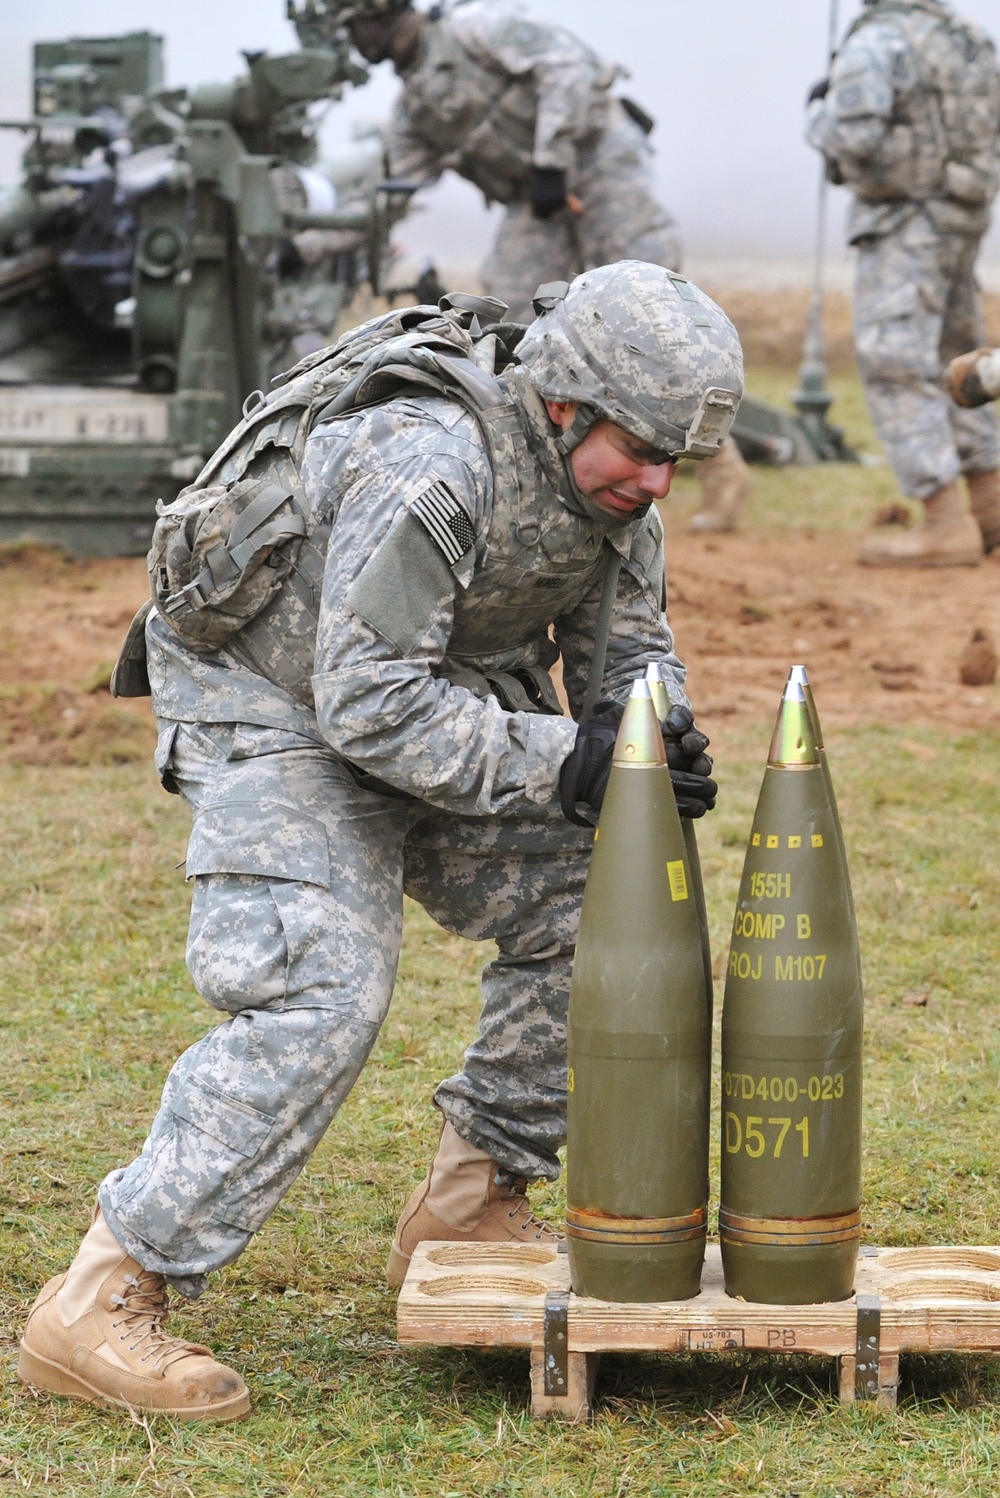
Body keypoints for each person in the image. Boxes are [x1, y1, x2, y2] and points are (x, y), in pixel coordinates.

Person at [18, 259, 742, 1420]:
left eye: (676, 462)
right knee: (324, 983)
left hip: (431, 690)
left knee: (608, 897)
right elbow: (365, 709)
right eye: (640, 450)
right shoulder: (432, 462)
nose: (656, 482)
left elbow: (630, 644)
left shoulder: (613, 489)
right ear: (566, 403)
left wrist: (650, 734)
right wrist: (562, 759)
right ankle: (100, 1295)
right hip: (276, 706)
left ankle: (467, 1203)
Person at [290, 0, 751, 533]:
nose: (350, 40)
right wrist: (302, 248)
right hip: (536, 201)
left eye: (352, 25)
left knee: (657, 328)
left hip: (599, 164)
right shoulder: (413, 112)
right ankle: (529, 480)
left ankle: (723, 476)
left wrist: (551, 160)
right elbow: (387, 201)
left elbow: (567, 67)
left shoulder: (478, 31)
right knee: (510, 319)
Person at [807, 0, 1000, 566]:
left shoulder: (880, 40)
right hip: (964, 214)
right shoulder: (966, 38)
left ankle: (943, 520)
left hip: (903, 219)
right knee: (960, 355)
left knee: (894, 357)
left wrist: (818, 110)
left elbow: (849, 138)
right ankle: (990, 505)